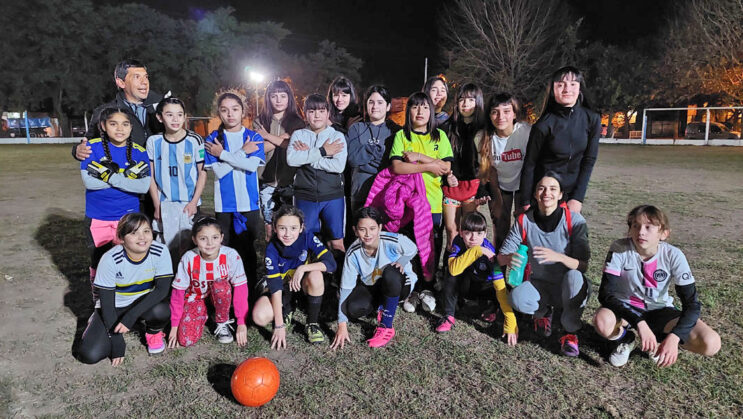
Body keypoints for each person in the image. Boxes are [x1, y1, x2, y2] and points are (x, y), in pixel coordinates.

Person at [593, 205, 720, 367]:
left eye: (648, 227)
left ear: (664, 234)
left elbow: (692, 304)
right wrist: (639, 323)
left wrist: (674, 337)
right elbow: (606, 295)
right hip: (626, 310)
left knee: (711, 343)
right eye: (635, 226)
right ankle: (625, 339)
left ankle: (659, 341)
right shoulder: (619, 248)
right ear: (630, 230)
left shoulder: (674, 255)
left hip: (660, 311)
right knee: (602, 320)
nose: (641, 232)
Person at [498, 175, 590, 357]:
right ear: (535, 194)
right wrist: (509, 258)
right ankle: (544, 312)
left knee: (574, 277)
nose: (547, 193)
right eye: (541, 188)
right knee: (516, 298)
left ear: (561, 194)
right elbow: (501, 257)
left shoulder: (575, 221)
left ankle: (569, 331)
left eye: (553, 188)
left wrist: (559, 257)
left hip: (568, 284)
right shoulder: (524, 221)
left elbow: (583, 265)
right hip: (540, 283)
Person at [77, 213, 172, 365]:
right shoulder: (110, 259)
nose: (142, 237)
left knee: (161, 310)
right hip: (114, 307)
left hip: (142, 303)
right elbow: (107, 304)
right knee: (90, 355)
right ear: (121, 238)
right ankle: (96, 320)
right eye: (134, 233)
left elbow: (161, 290)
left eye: (146, 231)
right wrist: (117, 342)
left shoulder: (160, 251)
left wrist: (130, 317)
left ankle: (153, 333)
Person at [389, 92, 453, 313]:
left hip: (432, 202)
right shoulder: (402, 135)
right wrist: (429, 166)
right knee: (410, 245)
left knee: (431, 245)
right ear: (409, 111)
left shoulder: (439, 136)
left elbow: (446, 168)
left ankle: (428, 287)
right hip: (407, 203)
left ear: (431, 112)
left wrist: (419, 157)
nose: (420, 112)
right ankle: (413, 288)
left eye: (425, 107)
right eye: (415, 107)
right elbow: (397, 167)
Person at [80, 107, 151, 301]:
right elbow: (90, 182)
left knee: (128, 258)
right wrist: (126, 178)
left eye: (125, 124)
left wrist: (108, 176)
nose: (120, 129)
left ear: (131, 127)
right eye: (113, 124)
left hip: (127, 217)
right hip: (98, 216)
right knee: (99, 259)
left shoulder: (139, 151)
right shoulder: (91, 147)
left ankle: (126, 297)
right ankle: (99, 297)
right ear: (103, 126)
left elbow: (143, 186)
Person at [331, 207, 418, 349]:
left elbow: (412, 248)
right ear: (355, 230)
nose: (367, 234)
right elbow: (346, 288)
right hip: (374, 285)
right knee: (353, 308)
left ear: (380, 228)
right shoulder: (353, 253)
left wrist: (401, 262)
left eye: (372, 229)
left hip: (399, 284)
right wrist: (341, 324)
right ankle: (382, 306)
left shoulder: (390, 240)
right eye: (362, 229)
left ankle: (386, 326)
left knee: (391, 272)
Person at [519, 66, 601, 215]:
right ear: (553, 90)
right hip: (545, 193)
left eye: (573, 84)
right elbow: (530, 164)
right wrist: (525, 201)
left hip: (571, 194)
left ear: (580, 88)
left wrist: (577, 198)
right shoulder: (543, 125)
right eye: (560, 84)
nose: (567, 89)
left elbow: (589, 160)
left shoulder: (592, 119)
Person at [203, 91, 266, 286]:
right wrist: (242, 153)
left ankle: (250, 293)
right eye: (224, 110)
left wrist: (223, 154)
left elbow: (251, 166)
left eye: (235, 109)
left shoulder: (253, 136)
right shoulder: (213, 139)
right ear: (219, 113)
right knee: (226, 251)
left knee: (248, 250)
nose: (230, 114)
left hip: (249, 205)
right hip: (225, 206)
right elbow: (220, 172)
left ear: (243, 111)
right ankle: (226, 292)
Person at [251, 206, 337, 347]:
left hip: (301, 285)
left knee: (316, 274)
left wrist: (303, 268)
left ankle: (312, 323)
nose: (287, 234)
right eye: (282, 228)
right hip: (283, 288)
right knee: (259, 317)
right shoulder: (272, 249)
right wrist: (279, 325)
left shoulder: (308, 237)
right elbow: (276, 287)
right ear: (274, 228)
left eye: (293, 228)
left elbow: (331, 264)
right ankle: (287, 308)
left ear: (301, 228)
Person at [436, 213, 518, 345]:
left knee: (506, 290)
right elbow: (453, 270)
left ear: (485, 234)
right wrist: (477, 250)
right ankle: (449, 316)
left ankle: (492, 307)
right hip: (466, 285)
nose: (473, 238)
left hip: (483, 287)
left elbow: (500, 287)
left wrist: (511, 319)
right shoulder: (458, 241)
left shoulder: (490, 253)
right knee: (450, 273)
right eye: (468, 233)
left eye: (479, 233)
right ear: (461, 233)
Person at [168, 217, 249, 348]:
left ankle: (221, 320)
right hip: (196, 298)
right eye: (203, 238)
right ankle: (205, 314)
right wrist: (174, 326)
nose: (210, 243)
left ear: (222, 237)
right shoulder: (188, 258)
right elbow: (178, 293)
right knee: (186, 340)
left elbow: (241, 289)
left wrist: (241, 322)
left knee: (220, 286)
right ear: (194, 240)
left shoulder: (231, 255)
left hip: (220, 297)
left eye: (215, 237)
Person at [286, 94, 348, 257]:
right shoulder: (298, 135)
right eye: (312, 111)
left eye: (321, 111)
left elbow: (338, 166)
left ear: (328, 113)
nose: (317, 115)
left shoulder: (336, 136)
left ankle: (337, 272)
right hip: (304, 196)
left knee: (336, 242)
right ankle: (305, 272)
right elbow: (292, 160)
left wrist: (308, 157)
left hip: (332, 196)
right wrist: (323, 151)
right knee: (304, 240)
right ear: (305, 113)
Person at [146, 97, 206, 259]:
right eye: (169, 115)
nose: (175, 119)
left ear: (185, 116)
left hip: (189, 205)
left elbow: (202, 173)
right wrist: (157, 205)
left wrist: (194, 202)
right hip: (164, 204)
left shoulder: (195, 140)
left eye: (179, 115)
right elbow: (150, 175)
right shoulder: (153, 141)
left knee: (189, 250)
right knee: (165, 250)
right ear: (160, 117)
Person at [73, 59, 162, 160]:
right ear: (121, 83)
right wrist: (78, 150)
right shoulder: (104, 112)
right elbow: (89, 143)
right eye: (137, 77)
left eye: (146, 77)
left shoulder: (163, 106)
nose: (145, 82)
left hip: (159, 169)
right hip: (127, 169)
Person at [253, 80, 306, 241]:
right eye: (274, 96)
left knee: (288, 225)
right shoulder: (260, 121)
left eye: (283, 96)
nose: (278, 100)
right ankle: (271, 254)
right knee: (269, 226)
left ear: (289, 98)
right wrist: (283, 138)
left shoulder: (297, 122)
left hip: (289, 182)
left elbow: (293, 146)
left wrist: (267, 136)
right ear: (268, 98)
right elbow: (258, 149)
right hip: (266, 180)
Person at [477, 93, 531, 250]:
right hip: (499, 185)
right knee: (500, 229)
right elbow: (487, 171)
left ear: (514, 114)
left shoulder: (526, 132)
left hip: (523, 184)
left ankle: (522, 265)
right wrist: (494, 198)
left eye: (506, 111)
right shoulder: (483, 138)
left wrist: (527, 197)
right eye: (495, 112)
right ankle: (498, 265)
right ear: (489, 115)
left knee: (524, 230)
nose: (501, 117)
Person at [440, 83, 488, 251]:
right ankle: (451, 263)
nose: (466, 104)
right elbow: (441, 157)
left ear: (478, 102)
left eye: (471, 99)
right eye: (462, 99)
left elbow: (485, 162)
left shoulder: (484, 128)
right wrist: (447, 175)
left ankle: (468, 264)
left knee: (469, 232)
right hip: (451, 186)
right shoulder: (447, 127)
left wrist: (482, 189)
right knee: (452, 230)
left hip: (472, 186)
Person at [346, 85, 399, 212]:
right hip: (359, 193)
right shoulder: (356, 129)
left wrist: (364, 160)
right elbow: (352, 159)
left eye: (380, 102)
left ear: (388, 106)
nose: (375, 106)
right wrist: (378, 150)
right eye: (371, 102)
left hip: (386, 193)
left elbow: (392, 164)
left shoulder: (395, 131)